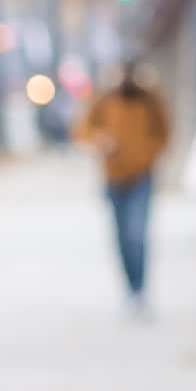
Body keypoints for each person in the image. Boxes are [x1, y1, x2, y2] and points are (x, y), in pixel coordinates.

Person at [78, 63, 170, 308]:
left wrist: (146, 155)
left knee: (136, 234)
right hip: (113, 177)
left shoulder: (150, 100)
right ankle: (130, 289)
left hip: (141, 176)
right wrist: (100, 139)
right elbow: (83, 129)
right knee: (120, 237)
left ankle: (140, 290)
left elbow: (164, 134)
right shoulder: (104, 100)